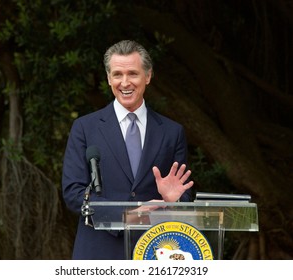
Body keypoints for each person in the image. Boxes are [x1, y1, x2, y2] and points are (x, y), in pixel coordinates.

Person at [62, 40, 194, 260]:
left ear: (148, 76)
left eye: (133, 73)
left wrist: (173, 202)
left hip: (156, 253)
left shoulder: (172, 132)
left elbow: (184, 193)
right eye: (117, 74)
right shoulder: (85, 128)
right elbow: (73, 192)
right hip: (98, 253)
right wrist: (128, 215)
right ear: (108, 78)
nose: (125, 82)